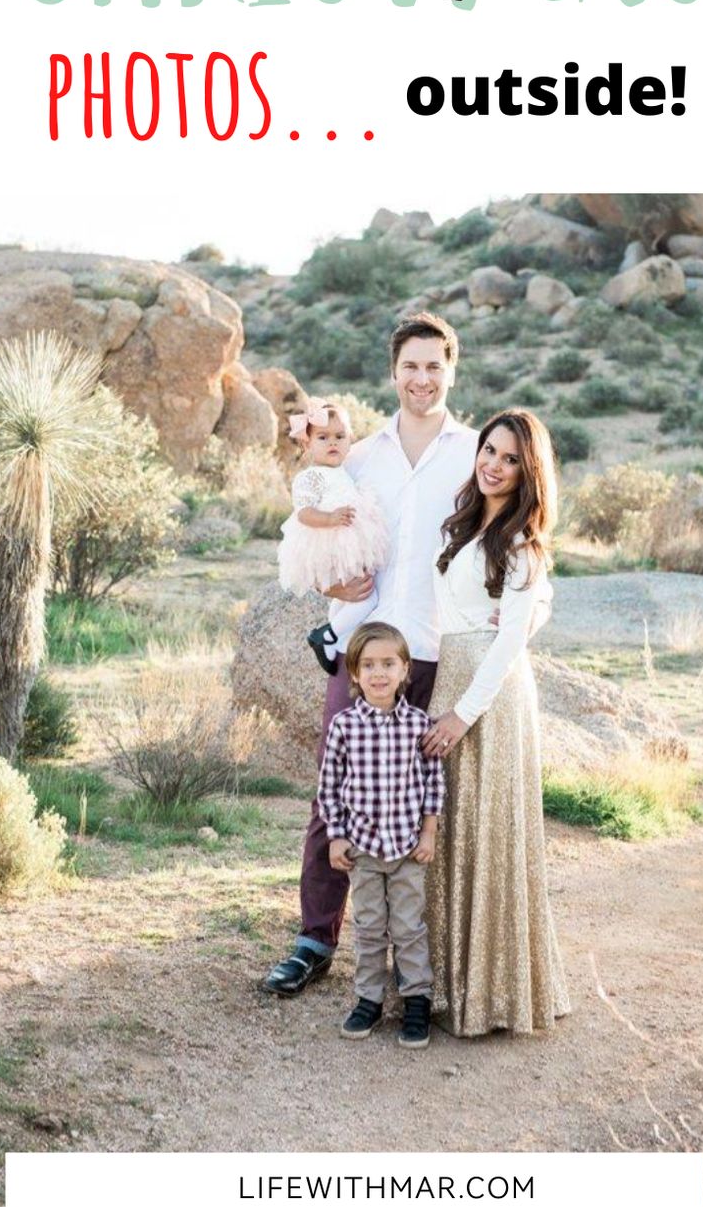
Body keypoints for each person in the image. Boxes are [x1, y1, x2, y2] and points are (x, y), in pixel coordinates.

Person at [264, 311, 479, 996]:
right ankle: (314, 937)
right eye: (410, 366)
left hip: (439, 649)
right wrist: (328, 579)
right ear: (394, 372)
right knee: (337, 788)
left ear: (451, 370)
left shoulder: (474, 452)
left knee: (429, 800)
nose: (422, 378)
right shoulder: (358, 455)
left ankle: (424, 956)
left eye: (434, 366)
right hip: (364, 650)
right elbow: (307, 534)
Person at [422, 409, 571, 1037]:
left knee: (488, 832)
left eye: (511, 458)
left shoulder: (520, 544)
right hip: (453, 674)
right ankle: (448, 984)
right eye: (489, 450)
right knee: (450, 831)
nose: (494, 464)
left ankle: (494, 993)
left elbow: (510, 642)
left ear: (528, 470)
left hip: (490, 695)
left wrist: (461, 713)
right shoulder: (464, 525)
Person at [318, 622, 445, 1047]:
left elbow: (433, 782)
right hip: (364, 849)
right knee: (370, 927)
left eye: (388, 664)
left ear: (405, 669)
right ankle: (368, 1000)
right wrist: (336, 836)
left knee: (408, 927)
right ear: (353, 673)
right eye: (368, 665)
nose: (378, 673)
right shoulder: (344, 726)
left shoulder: (418, 724)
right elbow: (329, 787)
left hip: (409, 848)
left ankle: (416, 1002)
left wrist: (429, 833)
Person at [277, 398, 389, 674]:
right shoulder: (310, 477)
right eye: (323, 437)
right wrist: (329, 519)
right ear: (307, 445)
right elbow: (303, 513)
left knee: (347, 598)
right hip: (328, 544)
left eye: (340, 437)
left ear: (350, 440)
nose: (333, 443)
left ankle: (334, 641)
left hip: (348, 544)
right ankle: (325, 634)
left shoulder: (345, 472)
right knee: (368, 597)